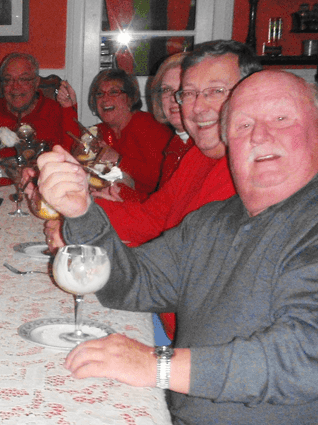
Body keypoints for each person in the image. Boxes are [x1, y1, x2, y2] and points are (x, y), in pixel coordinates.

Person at [36, 69, 318, 425]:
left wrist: (158, 365)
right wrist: (81, 212)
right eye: (244, 124)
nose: (261, 134)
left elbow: (306, 357)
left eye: (282, 118)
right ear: (228, 139)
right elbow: (132, 284)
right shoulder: (211, 223)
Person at [40, 40, 259, 341]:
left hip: (188, 342)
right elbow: (152, 216)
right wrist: (75, 214)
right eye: (190, 93)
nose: (196, 106)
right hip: (161, 317)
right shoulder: (200, 156)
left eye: (216, 91)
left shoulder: (255, 176)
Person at [69, 68, 172, 198]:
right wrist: (69, 108)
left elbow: (160, 179)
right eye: (99, 94)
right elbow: (71, 151)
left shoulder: (145, 125)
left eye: (113, 92)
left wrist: (118, 160)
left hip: (149, 204)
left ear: (129, 98)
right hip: (117, 200)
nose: (105, 99)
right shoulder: (102, 130)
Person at [0, 52, 81, 154]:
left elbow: (74, 153)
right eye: (8, 80)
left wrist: (69, 110)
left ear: (36, 82)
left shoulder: (56, 112)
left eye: (23, 79)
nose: (15, 87)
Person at [147, 53, 192, 187]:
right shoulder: (176, 143)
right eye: (166, 90)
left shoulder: (208, 148)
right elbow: (164, 204)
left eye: (182, 90)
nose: (173, 98)